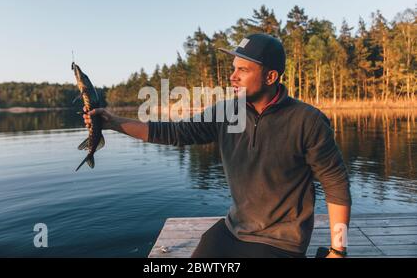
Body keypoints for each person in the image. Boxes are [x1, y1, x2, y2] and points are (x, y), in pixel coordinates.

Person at [83, 33, 351, 258]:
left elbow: (336, 184)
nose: (232, 77)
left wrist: (338, 251)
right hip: (234, 229)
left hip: (281, 241)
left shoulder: (308, 120)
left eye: (243, 70)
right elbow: (175, 132)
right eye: (233, 68)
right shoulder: (225, 112)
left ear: (270, 77)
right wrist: (113, 122)